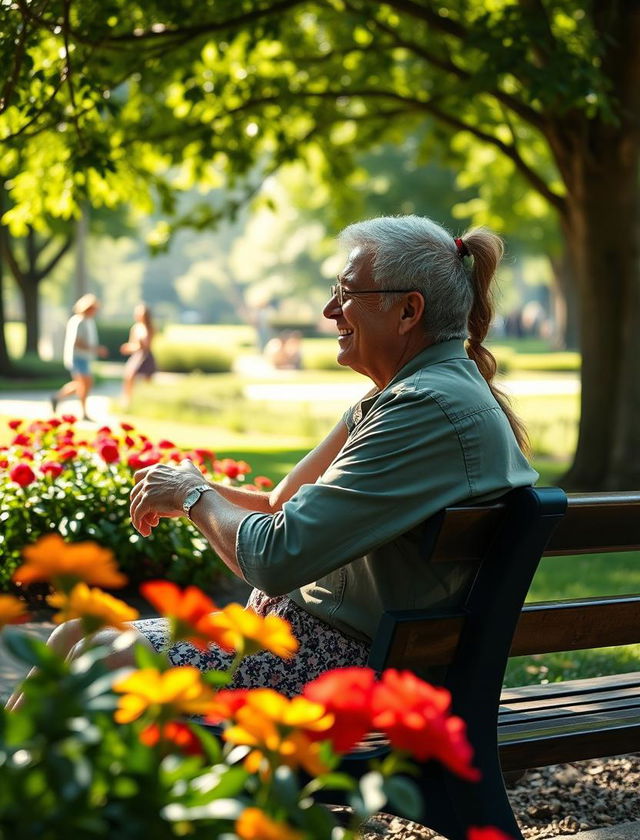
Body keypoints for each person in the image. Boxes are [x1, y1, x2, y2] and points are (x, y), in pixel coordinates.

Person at [9, 215, 537, 708]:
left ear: (408, 311)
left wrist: (195, 498)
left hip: (340, 670)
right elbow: (278, 502)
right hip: (306, 644)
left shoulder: (423, 408)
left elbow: (276, 559)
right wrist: (193, 486)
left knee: (100, 657)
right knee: (72, 634)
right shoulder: (403, 396)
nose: (330, 312)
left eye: (347, 294)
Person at [51, 294, 108, 421]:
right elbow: (78, 342)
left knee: (81, 384)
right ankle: (83, 412)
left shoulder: (88, 321)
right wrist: (95, 349)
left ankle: (57, 397)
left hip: (85, 357)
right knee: (85, 383)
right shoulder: (79, 321)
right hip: (78, 357)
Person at [120, 303, 157, 409]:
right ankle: (127, 400)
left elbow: (146, 345)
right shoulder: (135, 328)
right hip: (137, 355)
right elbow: (133, 344)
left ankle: (147, 402)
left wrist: (138, 346)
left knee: (148, 381)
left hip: (146, 355)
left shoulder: (150, 327)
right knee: (129, 376)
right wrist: (129, 347)